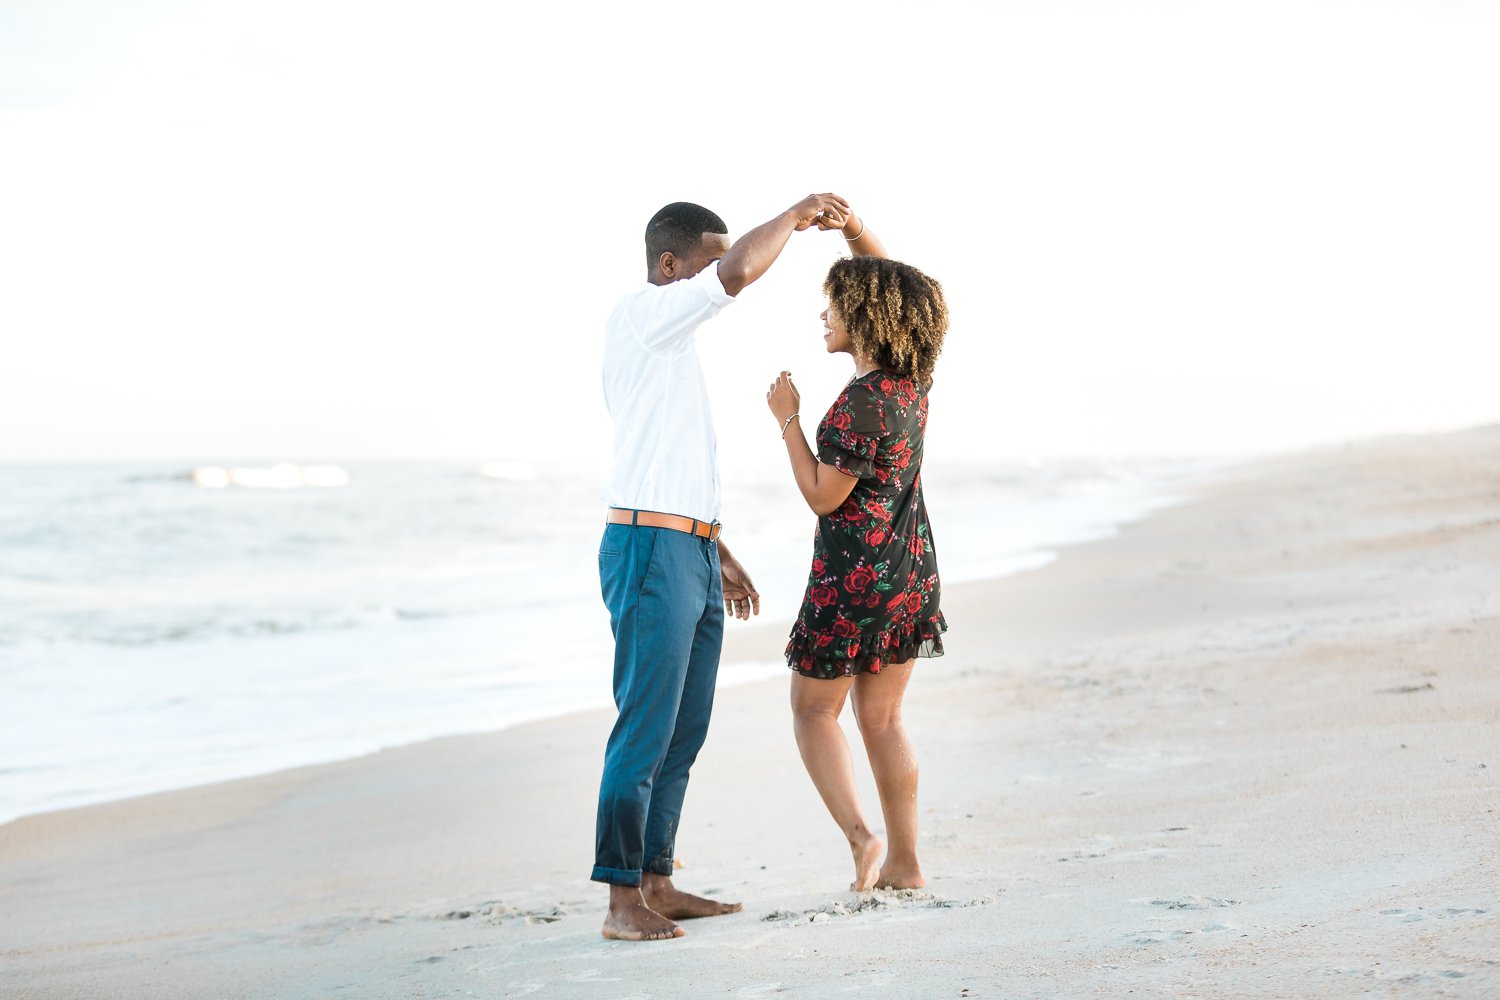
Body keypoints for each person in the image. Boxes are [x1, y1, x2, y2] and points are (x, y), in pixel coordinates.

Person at [595, 193, 852, 941]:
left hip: (688, 546)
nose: (718, 282)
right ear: (669, 266)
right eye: (703, 264)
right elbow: (739, 270)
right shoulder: (644, 319)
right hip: (649, 550)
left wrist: (717, 548)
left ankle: (657, 881)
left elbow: (668, 466)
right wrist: (800, 213)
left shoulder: (671, 353)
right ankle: (619, 901)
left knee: (685, 727)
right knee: (645, 726)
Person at [765, 208, 949, 892]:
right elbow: (903, 288)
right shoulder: (913, 385)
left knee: (814, 712)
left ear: (865, 318)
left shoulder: (855, 406)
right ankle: (905, 863)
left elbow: (822, 495)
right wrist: (854, 229)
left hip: (850, 584)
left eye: (833, 308)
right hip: (909, 574)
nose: (823, 319)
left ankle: (862, 839)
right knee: (886, 718)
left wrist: (787, 418)